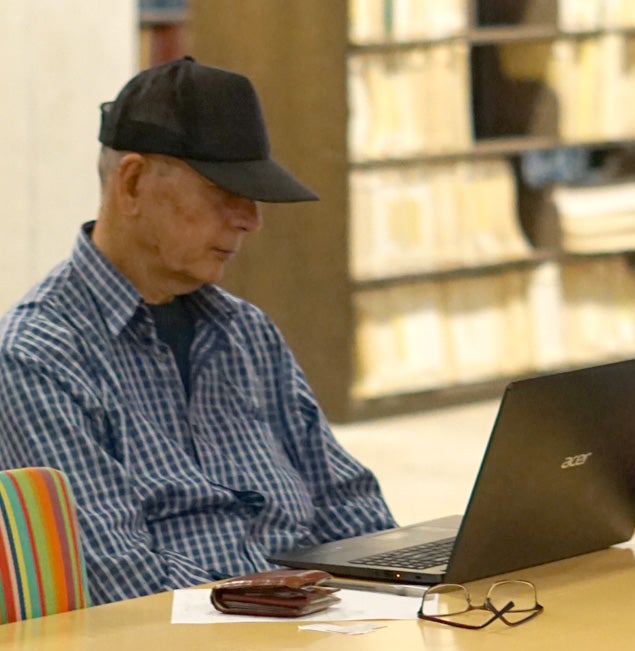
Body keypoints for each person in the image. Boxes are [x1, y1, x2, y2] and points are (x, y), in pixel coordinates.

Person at [0, 57, 398, 604]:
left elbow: (347, 505)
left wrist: (401, 586)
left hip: (317, 627)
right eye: (224, 192)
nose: (250, 219)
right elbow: (120, 586)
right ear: (133, 183)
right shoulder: (38, 356)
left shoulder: (245, 333)